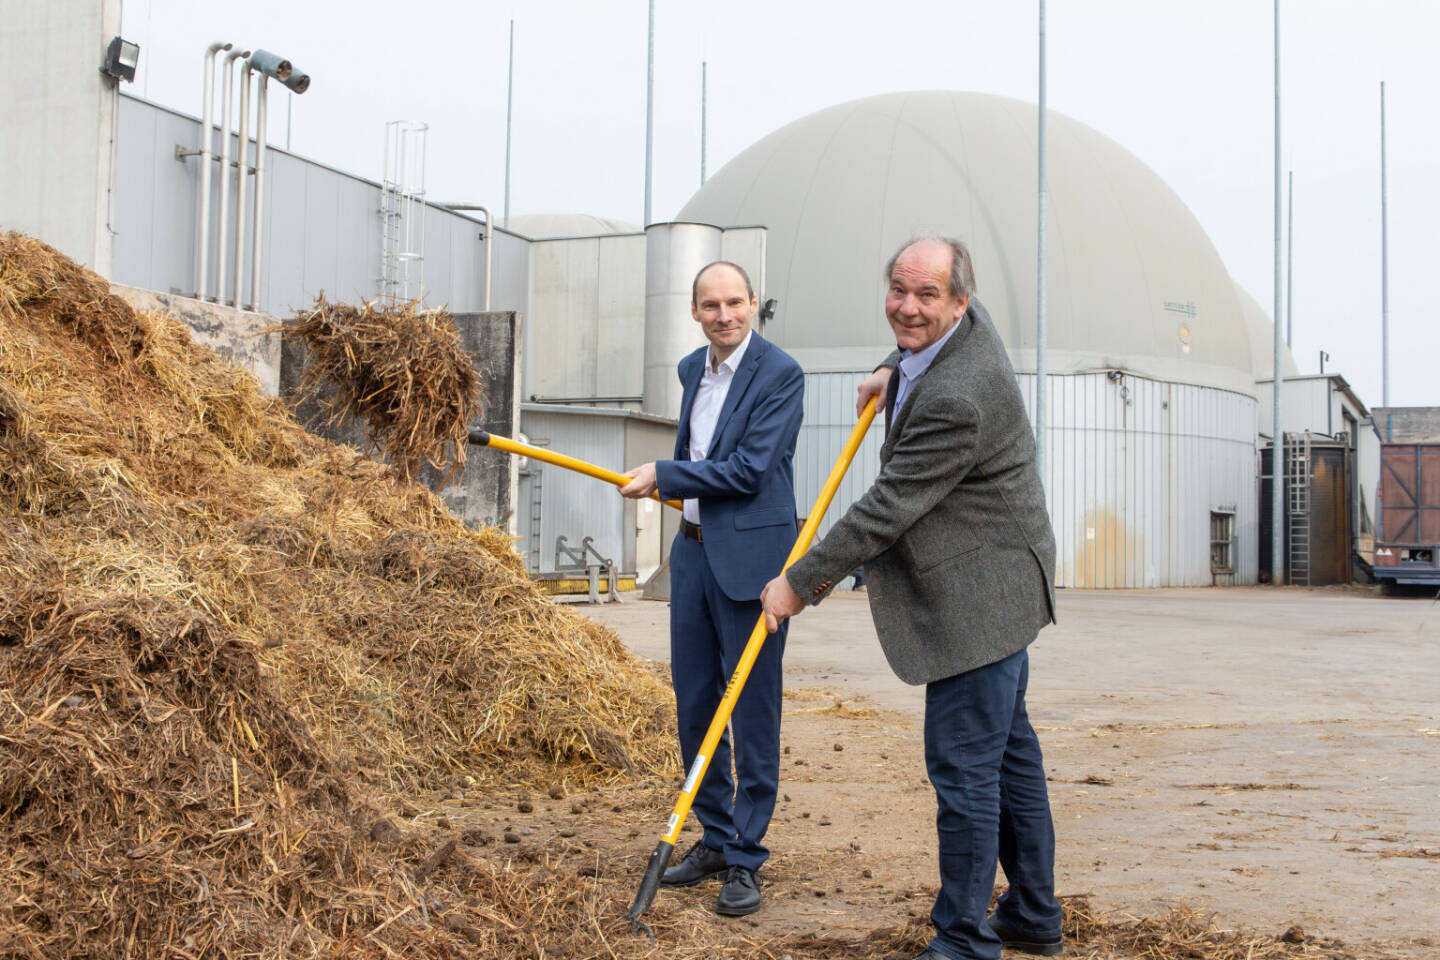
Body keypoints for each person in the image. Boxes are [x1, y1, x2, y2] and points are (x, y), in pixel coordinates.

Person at [760, 237, 1064, 959]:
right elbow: (918, 344)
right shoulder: (955, 335)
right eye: (899, 289)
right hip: (1005, 577)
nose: (908, 306)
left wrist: (800, 582)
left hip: (981, 598)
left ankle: (962, 940)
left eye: (928, 295)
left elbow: (887, 507)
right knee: (1009, 757)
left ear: (960, 300)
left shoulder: (960, 396)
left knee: (963, 769)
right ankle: (1032, 915)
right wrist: (890, 368)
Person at [620, 260, 804, 917]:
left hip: (753, 564)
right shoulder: (690, 370)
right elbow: (704, 452)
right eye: (710, 305)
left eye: (734, 302)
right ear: (695, 313)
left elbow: (751, 470)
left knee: (751, 710)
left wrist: (664, 475)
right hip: (692, 557)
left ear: (755, 303)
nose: (724, 315)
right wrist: (672, 478)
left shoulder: (780, 374)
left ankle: (747, 858)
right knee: (696, 704)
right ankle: (716, 837)